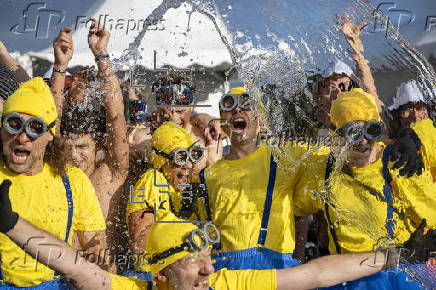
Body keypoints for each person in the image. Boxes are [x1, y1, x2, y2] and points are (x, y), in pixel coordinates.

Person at [0, 184, 434, 290]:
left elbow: (315, 274)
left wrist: (395, 255)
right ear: (163, 272)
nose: (211, 268)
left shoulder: (228, 283)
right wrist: (10, 223)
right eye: (197, 262)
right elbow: (71, 264)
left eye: (209, 257)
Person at [294, 88, 436, 289]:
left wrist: (415, 135)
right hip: (349, 277)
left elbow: (429, 131)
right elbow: (294, 208)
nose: (363, 140)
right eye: (353, 132)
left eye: (371, 130)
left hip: (403, 275)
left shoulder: (399, 158)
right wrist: (296, 255)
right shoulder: (322, 172)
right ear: (337, 134)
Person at [0, 77, 107, 289]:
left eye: (34, 127)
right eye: (13, 124)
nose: (22, 138)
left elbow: (96, 248)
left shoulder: (73, 181)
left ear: (50, 134)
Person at [125, 122, 208, 280]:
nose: (188, 165)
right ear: (161, 161)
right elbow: (139, 244)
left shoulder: (190, 185)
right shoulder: (151, 182)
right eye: (180, 158)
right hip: (157, 275)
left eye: (192, 157)